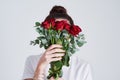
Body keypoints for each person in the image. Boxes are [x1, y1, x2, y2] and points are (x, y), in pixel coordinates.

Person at [22, 5, 93, 80]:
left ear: (71, 35)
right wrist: (40, 68)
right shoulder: (32, 61)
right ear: (46, 34)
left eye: (65, 31)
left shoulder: (83, 67)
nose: (59, 36)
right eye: (54, 31)